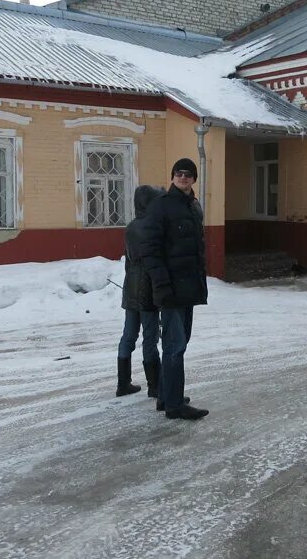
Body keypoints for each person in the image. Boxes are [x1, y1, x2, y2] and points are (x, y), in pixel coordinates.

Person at [141, 157, 210, 421]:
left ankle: (167, 396)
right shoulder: (161, 207)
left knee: (179, 345)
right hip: (170, 292)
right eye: (178, 173)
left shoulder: (193, 206)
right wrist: (162, 286)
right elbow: (151, 251)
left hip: (189, 290)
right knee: (174, 347)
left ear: (194, 179)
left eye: (188, 174)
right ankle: (174, 406)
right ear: (172, 177)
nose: (183, 177)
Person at [116, 184, 165, 398]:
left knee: (129, 334)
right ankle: (154, 385)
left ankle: (123, 383)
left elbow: (128, 260)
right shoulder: (154, 226)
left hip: (131, 285)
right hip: (148, 285)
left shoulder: (131, 226)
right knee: (150, 336)